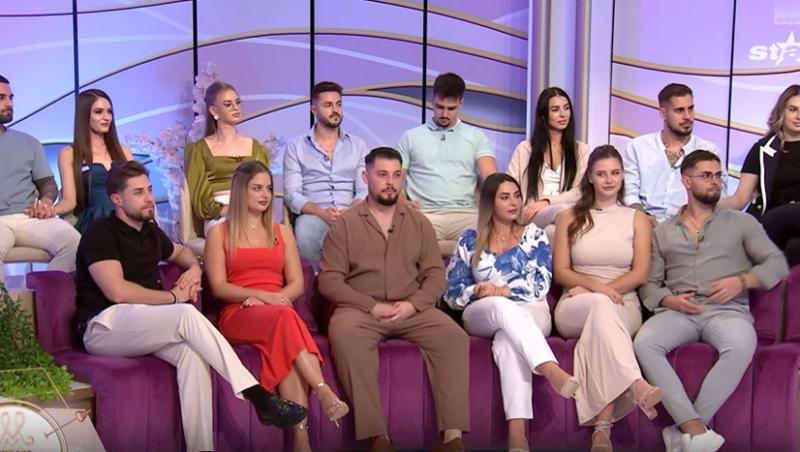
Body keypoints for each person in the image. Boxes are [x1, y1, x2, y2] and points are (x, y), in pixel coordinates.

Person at [73, 160, 307, 452]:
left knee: (193, 356)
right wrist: (174, 297)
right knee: (185, 313)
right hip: (103, 326)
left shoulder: (149, 231)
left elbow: (182, 252)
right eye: (139, 193)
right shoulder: (100, 233)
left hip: (143, 324)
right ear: (117, 200)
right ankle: (259, 397)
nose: (149, 198)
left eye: (149, 190)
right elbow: (117, 292)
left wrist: (195, 269)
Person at [634, 150, 789, 452]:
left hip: (727, 312)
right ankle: (695, 431)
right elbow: (649, 287)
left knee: (741, 344)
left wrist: (741, 281)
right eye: (706, 176)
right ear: (686, 181)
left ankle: (688, 429)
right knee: (645, 343)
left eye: (718, 176)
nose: (715, 181)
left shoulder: (742, 223)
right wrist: (669, 300)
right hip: (679, 312)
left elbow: (777, 265)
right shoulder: (662, 232)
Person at [319, 147, 469, 452]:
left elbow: (435, 274)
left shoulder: (419, 222)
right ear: (366, 177)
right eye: (382, 175)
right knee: (345, 335)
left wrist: (413, 304)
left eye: (396, 175)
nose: (390, 182)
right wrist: (371, 306)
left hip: (411, 307)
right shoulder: (345, 224)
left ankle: (453, 439)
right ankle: (378, 437)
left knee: (454, 337)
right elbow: (329, 281)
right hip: (361, 309)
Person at [204, 160, 348, 452]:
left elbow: (296, 283)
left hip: (278, 311)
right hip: (239, 312)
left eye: (269, 189)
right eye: (257, 188)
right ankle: (323, 391)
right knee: (286, 320)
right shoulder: (219, 233)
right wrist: (261, 296)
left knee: (285, 340)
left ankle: (301, 439)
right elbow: (219, 287)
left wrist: (276, 298)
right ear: (241, 191)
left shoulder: (282, 232)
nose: (265, 195)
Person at [443, 172, 579, 452]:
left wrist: (506, 290)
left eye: (517, 196)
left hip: (531, 310)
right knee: (500, 307)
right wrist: (478, 290)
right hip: (483, 311)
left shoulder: (534, 236)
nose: (514, 202)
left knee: (507, 340)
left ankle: (517, 437)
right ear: (489, 203)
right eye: (505, 197)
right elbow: (452, 293)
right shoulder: (469, 239)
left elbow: (540, 284)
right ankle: (549, 368)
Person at [552, 145, 661, 451]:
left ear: (623, 176)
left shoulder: (636, 218)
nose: (609, 180)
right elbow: (561, 272)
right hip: (575, 304)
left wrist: (598, 290)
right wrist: (594, 289)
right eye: (601, 174)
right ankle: (635, 383)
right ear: (590, 177)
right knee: (600, 307)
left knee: (602, 322)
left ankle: (602, 431)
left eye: (615, 173)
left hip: (624, 304)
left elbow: (640, 273)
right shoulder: (568, 217)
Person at [397, 72, 497, 255]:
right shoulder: (411, 137)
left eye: (451, 108)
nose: (444, 114)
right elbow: (394, 177)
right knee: (403, 235)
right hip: (425, 214)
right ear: (432, 100)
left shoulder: (476, 136)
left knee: (495, 236)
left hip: (466, 215)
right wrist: (400, 200)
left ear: (461, 103)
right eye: (439, 107)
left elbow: (492, 178)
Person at [0, 74, 80, 283]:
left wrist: (45, 201)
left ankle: (43, 295)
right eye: (1, 98)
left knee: (74, 242)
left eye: (11, 97)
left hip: (29, 217)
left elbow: (47, 183)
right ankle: (5, 305)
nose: (9, 104)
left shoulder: (29, 142)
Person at [283, 81, 368, 264]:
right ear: (313, 109)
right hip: (314, 214)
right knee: (305, 233)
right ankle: (314, 280)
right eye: (328, 105)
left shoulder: (358, 145)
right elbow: (292, 194)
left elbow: (364, 190)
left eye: (338, 104)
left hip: (351, 212)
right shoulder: (296, 147)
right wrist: (321, 212)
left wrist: (351, 209)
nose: (335, 110)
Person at [720, 84, 800, 266]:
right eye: (793, 109)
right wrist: (709, 205)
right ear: (782, 112)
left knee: (795, 248)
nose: (798, 116)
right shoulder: (762, 149)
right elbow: (741, 198)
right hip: (770, 221)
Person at [622, 83, 725, 223]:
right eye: (679, 110)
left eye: (690, 109)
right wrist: (643, 220)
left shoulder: (709, 151)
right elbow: (629, 193)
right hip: (643, 223)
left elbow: (719, 196)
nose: (688, 116)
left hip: (691, 226)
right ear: (663, 113)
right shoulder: (637, 147)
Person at [184, 80, 271, 236]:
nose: (236, 108)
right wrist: (230, 210)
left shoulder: (256, 147)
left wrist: (251, 209)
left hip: (253, 212)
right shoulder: (199, 150)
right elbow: (200, 198)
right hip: (220, 215)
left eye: (237, 102)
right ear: (213, 110)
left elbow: (264, 186)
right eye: (228, 104)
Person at [507, 87, 589, 239]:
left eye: (566, 108)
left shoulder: (581, 150)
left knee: (552, 230)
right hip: (532, 212)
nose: (563, 114)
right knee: (562, 215)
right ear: (543, 115)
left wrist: (547, 202)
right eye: (555, 110)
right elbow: (511, 184)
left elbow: (580, 192)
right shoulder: (525, 149)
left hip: (566, 211)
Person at [53, 89, 133, 233]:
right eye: (98, 112)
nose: (106, 117)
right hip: (95, 223)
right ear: (84, 116)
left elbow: (136, 191)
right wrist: (48, 211)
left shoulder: (124, 151)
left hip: (127, 219)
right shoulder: (69, 154)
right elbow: (69, 201)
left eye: (109, 112)